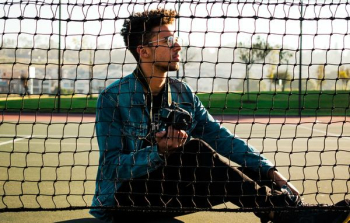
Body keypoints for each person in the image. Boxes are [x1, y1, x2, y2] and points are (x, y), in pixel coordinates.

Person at [90, 8, 349, 223]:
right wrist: (157, 153)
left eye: (175, 39)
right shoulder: (114, 98)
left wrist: (270, 172)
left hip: (164, 194)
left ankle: (285, 211)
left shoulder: (183, 94)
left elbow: (222, 138)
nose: (178, 45)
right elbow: (111, 168)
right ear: (143, 51)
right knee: (195, 152)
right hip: (124, 202)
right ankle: (285, 214)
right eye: (168, 41)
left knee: (232, 168)